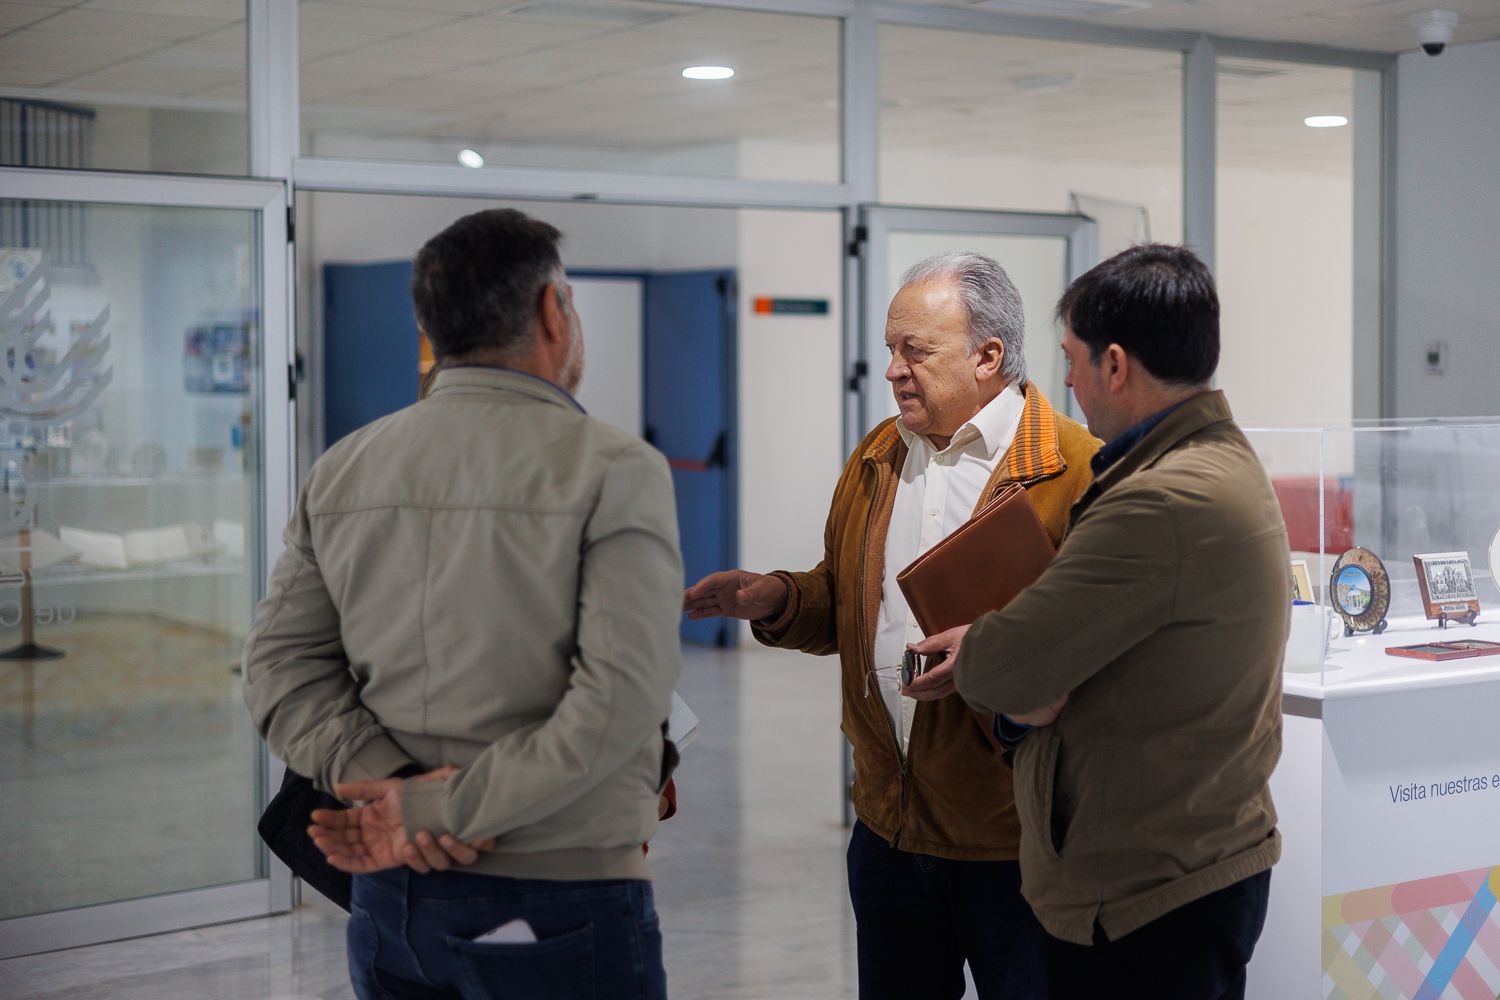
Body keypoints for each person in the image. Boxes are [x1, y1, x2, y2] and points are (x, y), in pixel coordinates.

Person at [242, 207, 683, 1000]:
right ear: (555, 312)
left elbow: (279, 670)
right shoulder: (616, 467)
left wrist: (390, 791)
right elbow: (618, 704)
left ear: (431, 325)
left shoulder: (345, 468)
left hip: (389, 899)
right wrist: (433, 808)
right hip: (557, 896)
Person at [684, 252, 1099, 1000]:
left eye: (917, 350)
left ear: (989, 356)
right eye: (890, 350)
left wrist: (991, 659)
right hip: (887, 832)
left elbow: (1103, 655)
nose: (895, 370)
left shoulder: (1076, 471)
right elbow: (847, 601)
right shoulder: (878, 456)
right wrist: (777, 599)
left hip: (1017, 844)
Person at [924, 243, 1288, 1000]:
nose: (1063, 382)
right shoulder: (1223, 461)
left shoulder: (1160, 498)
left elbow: (1017, 668)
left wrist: (987, 650)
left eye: (1071, 359)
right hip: (1200, 861)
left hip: (1145, 895)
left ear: (1115, 366)